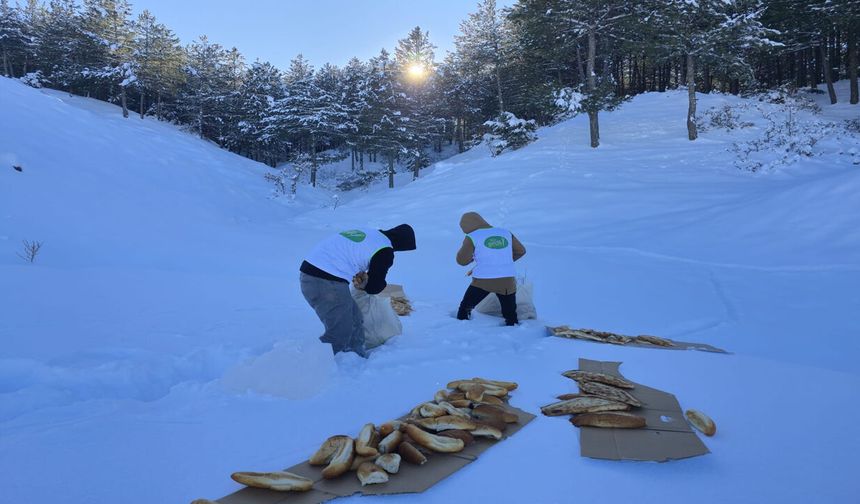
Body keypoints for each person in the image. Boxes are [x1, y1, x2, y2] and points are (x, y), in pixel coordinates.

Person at [300, 225, 416, 357]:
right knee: (341, 329)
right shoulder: (385, 250)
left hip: (314, 272)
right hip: (324, 281)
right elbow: (374, 287)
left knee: (355, 319)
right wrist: (369, 283)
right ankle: (319, 364)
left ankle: (355, 358)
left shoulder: (372, 234)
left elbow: (349, 254)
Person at [455, 212, 526, 326]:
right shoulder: (505, 233)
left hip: (483, 281)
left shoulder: (472, 236)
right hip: (507, 281)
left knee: (465, 308)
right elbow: (521, 251)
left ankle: (461, 327)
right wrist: (502, 261)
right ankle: (513, 330)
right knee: (510, 314)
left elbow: (461, 260)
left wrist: (471, 259)